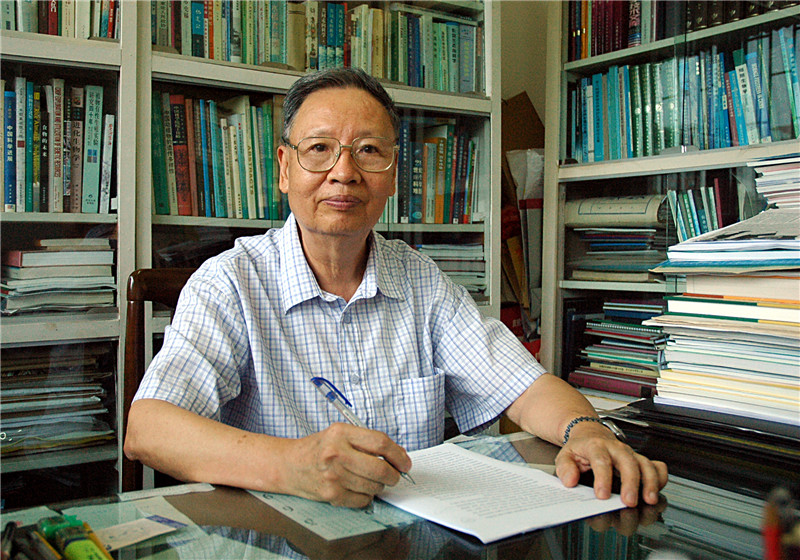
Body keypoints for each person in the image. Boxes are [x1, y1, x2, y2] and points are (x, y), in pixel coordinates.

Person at [125, 67, 668, 510]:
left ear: (391, 175)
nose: (344, 172)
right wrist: (293, 465)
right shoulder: (230, 282)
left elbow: (522, 388)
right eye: (319, 148)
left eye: (367, 150)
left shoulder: (422, 281)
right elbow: (149, 429)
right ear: (285, 168)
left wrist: (586, 431)